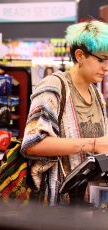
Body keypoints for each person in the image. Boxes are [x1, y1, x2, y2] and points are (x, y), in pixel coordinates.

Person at [21, 20, 108, 207]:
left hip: (88, 203)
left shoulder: (97, 94)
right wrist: (92, 144)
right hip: (57, 205)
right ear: (80, 56)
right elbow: (32, 144)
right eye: (101, 59)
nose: (106, 67)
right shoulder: (54, 87)